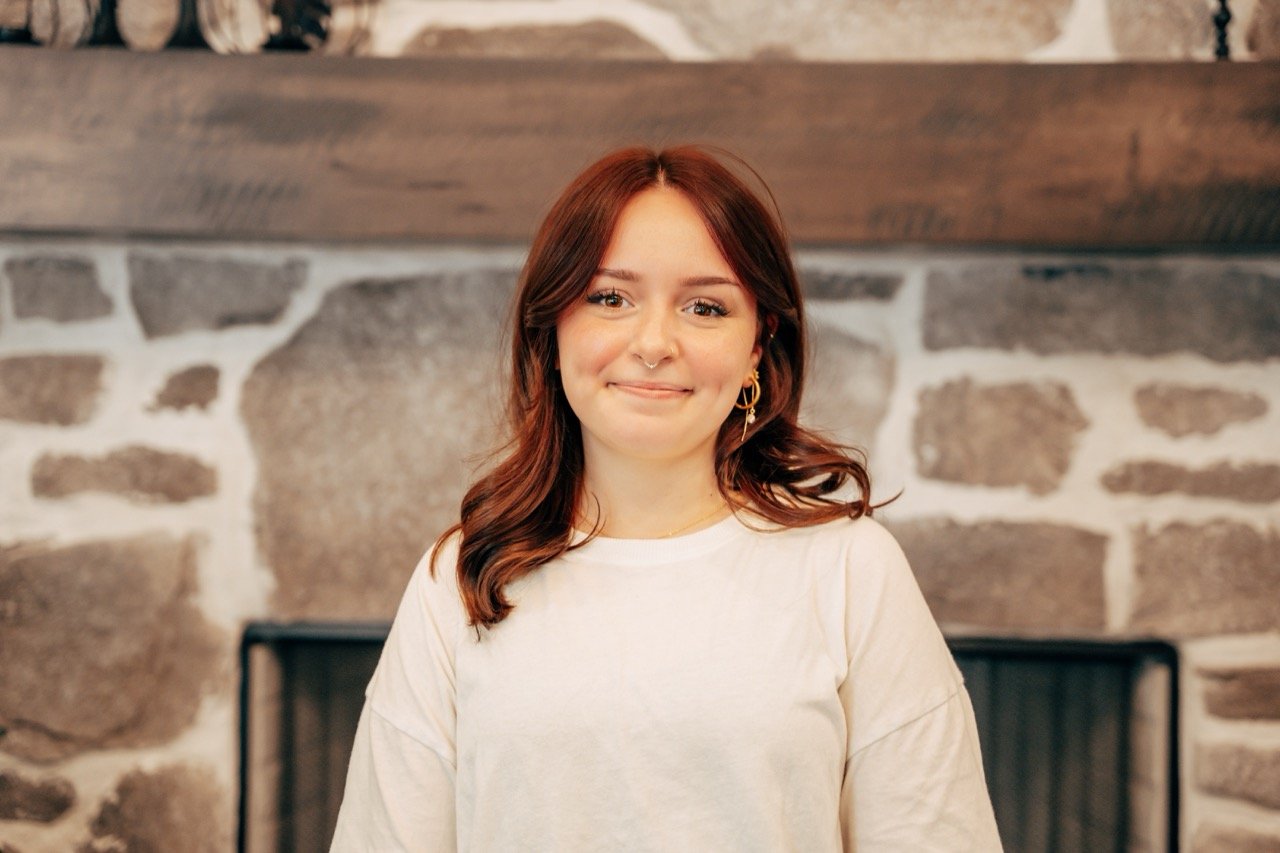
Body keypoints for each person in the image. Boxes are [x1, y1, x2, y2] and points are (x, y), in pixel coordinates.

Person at [331, 146, 1002, 851]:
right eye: (610, 297)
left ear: (757, 345)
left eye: (705, 306)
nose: (653, 343)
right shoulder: (461, 577)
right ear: (553, 328)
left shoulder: (851, 572)